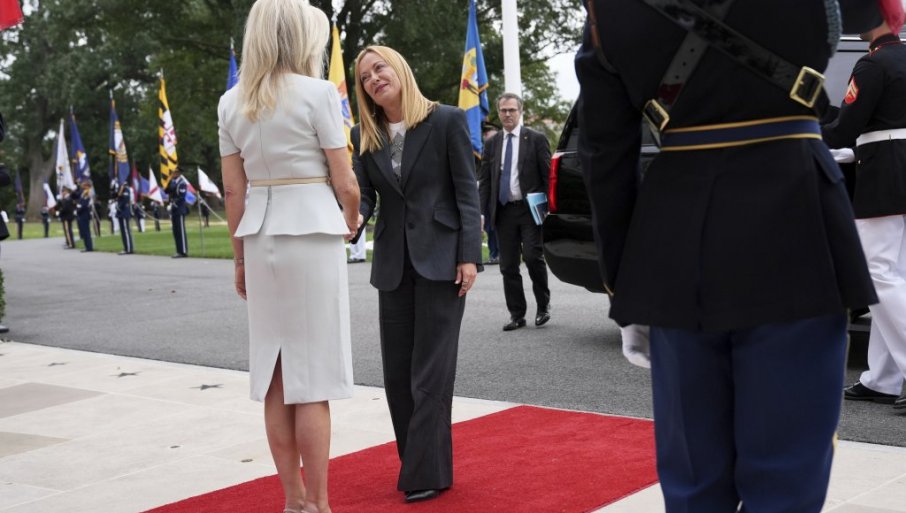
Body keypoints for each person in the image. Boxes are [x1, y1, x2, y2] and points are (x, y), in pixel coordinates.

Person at [576, 1, 879, 511]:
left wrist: (623, 283)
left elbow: (605, 151)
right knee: (787, 477)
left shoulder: (608, 10)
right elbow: (869, 15)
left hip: (678, 237)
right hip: (796, 218)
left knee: (694, 480)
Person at [218, 1, 360, 512]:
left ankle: (293, 500)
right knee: (313, 377)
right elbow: (346, 181)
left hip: (260, 237)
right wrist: (351, 220)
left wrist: (239, 259)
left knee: (275, 376)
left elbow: (233, 193)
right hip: (312, 232)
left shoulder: (230, 102)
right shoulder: (318, 93)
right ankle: (319, 503)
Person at [352, 45, 482, 503]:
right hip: (392, 265)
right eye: (365, 77)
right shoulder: (364, 135)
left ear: (399, 68)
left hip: (442, 260)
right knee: (397, 374)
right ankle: (421, 465)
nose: (373, 79)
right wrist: (351, 219)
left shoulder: (446, 120)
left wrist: (469, 255)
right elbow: (365, 197)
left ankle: (424, 473)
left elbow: (467, 192)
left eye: (379, 68)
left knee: (431, 371)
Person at [822, 8, 906, 411]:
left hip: (885, 176)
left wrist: (806, 136)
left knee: (877, 274)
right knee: (894, 274)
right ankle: (883, 379)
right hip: (896, 167)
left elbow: (846, 128)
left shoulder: (873, 64)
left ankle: (890, 376)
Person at [478, 92, 552, 331]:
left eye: (512, 110)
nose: (507, 114)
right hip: (504, 212)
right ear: (498, 113)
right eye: (503, 110)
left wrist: (549, 208)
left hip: (530, 210)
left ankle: (543, 306)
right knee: (508, 265)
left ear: (520, 112)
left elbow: (547, 176)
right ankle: (517, 314)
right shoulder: (492, 143)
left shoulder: (536, 139)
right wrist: (481, 212)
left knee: (532, 257)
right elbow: (485, 180)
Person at [481, 123, 499, 265]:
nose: (487, 137)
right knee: (489, 227)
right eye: (486, 135)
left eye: (490, 135)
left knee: (498, 228)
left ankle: (500, 254)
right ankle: (494, 254)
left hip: (499, 197)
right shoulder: (484, 152)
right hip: (487, 196)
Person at [166, 168, 189, 257]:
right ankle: (179, 251)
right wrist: (167, 182)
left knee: (181, 231)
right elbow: (167, 191)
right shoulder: (173, 182)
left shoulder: (182, 183)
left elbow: (181, 197)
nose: (173, 174)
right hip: (174, 209)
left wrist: (173, 203)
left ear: (178, 173)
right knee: (175, 231)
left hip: (179, 209)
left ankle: (183, 251)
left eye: (174, 172)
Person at [115, 181, 134, 254]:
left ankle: (129, 249)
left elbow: (125, 201)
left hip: (124, 213)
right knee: (123, 232)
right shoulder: (120, 190)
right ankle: (125, 248)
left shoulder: (126, 190)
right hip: (120, 213)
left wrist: (119, 207)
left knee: (126, 231)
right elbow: (117, 196)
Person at [75, 182, 94, 252]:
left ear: (87, 186)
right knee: (84, 231)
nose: (82, 187)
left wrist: (79, 209)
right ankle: (87, 246)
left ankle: (89, 247)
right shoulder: (83, 193)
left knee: (86, 232)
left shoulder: (88, 193)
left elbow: (85, 204)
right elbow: (80, 201)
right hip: (81, 214)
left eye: (84, 186)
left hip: (85, 214)